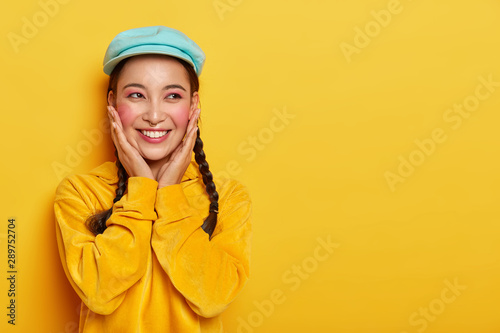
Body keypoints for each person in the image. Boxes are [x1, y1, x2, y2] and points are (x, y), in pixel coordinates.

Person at [54, 26, 252, 332]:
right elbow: (98, 294)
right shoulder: (80, 192)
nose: (155, 114)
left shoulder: (227, 198)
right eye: (137, 95)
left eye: (172, 95)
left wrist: (169, 194)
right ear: (112, 104)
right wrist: (142, 190)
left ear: (194, 106)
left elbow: (213, 298)